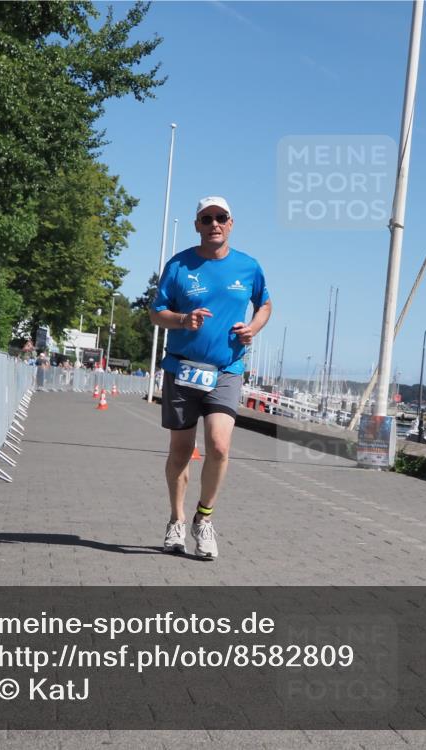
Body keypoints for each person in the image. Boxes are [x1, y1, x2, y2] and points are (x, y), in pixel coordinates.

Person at [149, 196, 272, 559]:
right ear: (197, 225)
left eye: (221, 218)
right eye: (207, 219)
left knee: (219, 445)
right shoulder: (179, 266)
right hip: (182, 368)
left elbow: (264, 304)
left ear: (231, 223)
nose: (214, 224)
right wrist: (182, 320)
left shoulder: (248, 267)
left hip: (226, 370)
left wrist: (253, 328)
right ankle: (176, 520)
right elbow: (156, 313)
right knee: (181, 451)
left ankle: (204, 519)